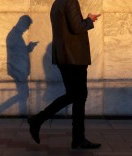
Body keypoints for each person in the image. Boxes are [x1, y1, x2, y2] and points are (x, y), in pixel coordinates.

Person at [28, 0, 101, 149]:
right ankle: (38, 120)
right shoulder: (71, 1)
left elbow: (68, 28)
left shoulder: (57, 3)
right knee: (77, 96)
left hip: (66, 57)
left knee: (76, 96)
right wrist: (89, 20)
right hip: (74, 58)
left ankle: (78, 138)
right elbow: (77, 27)